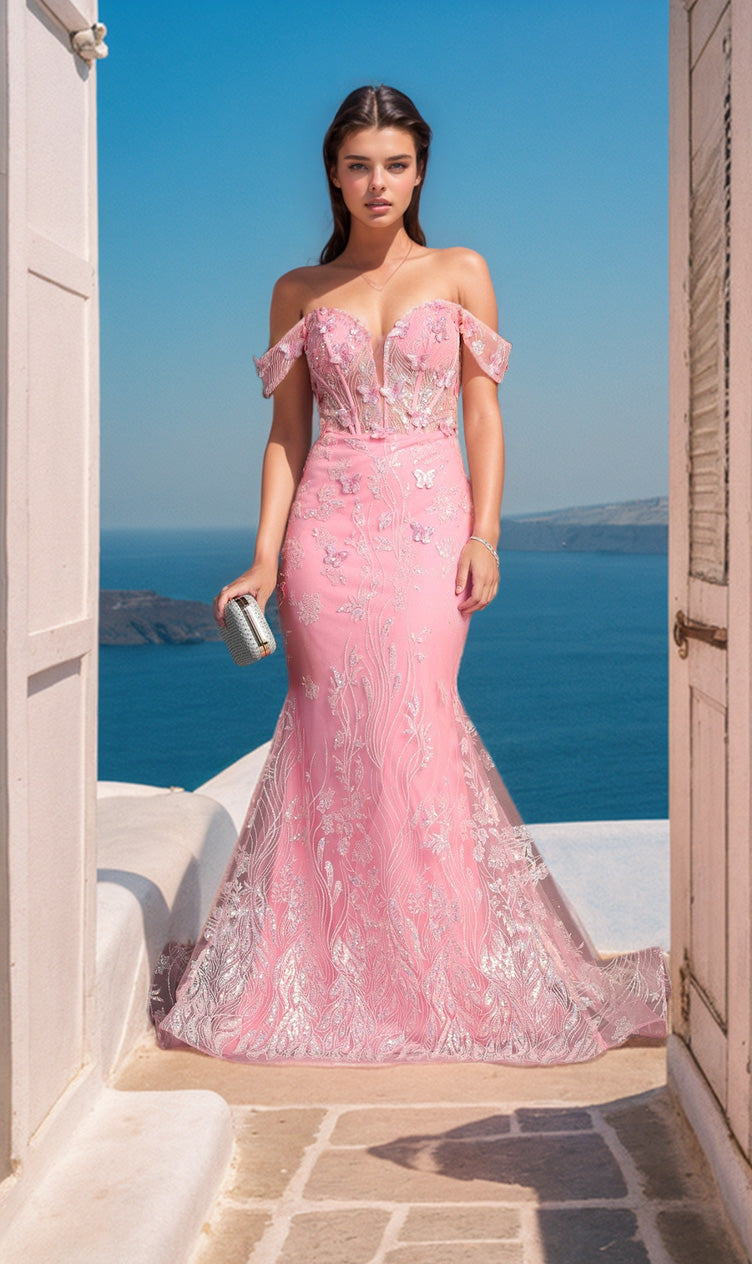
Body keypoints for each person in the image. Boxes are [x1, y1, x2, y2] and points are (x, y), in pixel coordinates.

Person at [149, 85, 669, 1064]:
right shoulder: (298, 290)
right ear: (332, 175)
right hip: (328, 532)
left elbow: (482, 416)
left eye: (393, 164)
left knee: (415, 716)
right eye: (357, 165)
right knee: (329, 724)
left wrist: (485, 533)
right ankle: (332, 964)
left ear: (419, 169)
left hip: (429, 525)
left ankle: (447, 960)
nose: (375, 183)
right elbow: (285, 432)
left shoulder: (462, 271)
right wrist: (265, 555)